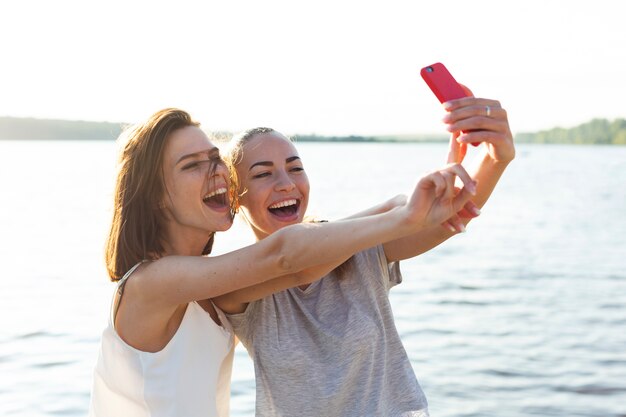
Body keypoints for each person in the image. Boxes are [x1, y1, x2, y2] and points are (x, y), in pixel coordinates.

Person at [88, 108, 479, 417]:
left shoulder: (209, 284)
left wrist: (411, 205)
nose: (217, 171)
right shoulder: (151, 283)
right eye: (192, 165)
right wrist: (403, 217)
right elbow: (285, 257)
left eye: (214, 158)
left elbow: (306, 263)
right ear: (155, 195)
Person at [215, 93, 515, 417]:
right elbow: (290, 260)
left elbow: (447, 221)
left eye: (295, 168)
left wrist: (497, 157)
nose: (286, 184)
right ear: (236, 196)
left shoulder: (362, 248)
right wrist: (392, 211)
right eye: (263, 174)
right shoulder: (236, 277)